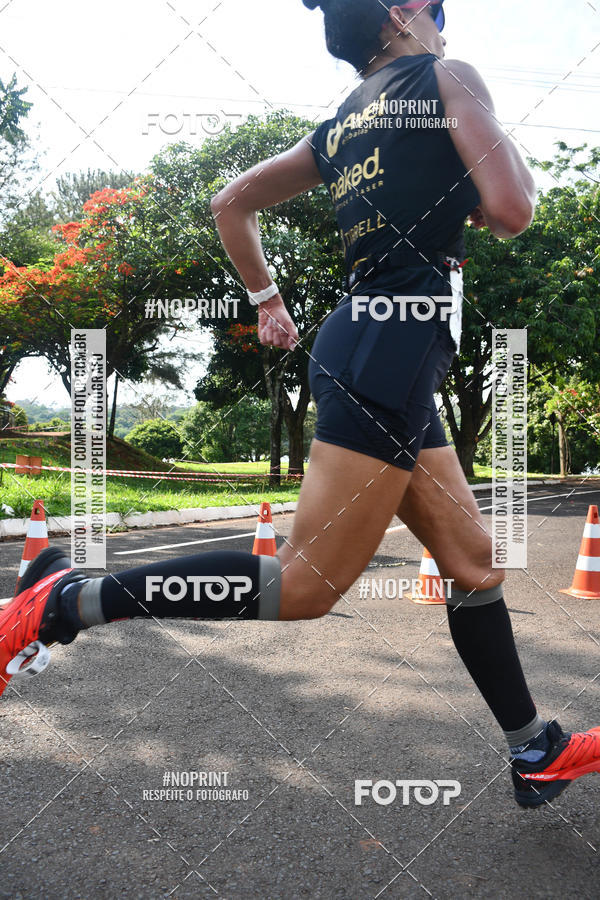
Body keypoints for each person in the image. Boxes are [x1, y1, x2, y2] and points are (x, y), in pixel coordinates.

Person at [2, 0, 599, 809]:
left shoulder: (341, 124)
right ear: (405, 13)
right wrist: (480, 117)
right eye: (441, 18)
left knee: (474, 562)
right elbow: (512, 211)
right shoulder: (446, 76)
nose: (447, 35)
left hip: (379, 346)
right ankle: (64, 599)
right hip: (391, 348)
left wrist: (266, 298)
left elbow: (230, 201)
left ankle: (534, 750)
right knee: (306, 585)